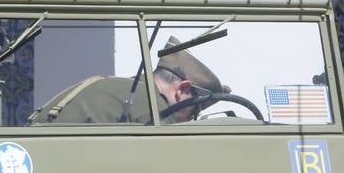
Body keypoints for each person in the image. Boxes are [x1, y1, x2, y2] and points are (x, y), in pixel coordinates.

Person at [28, 41, 225, 125]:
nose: (188, 121)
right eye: (193, 111)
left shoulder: (124, 89)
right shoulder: (152, 108)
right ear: (182, 90)